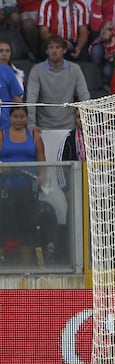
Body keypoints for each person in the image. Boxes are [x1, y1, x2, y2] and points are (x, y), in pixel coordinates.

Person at [0, 105, 46, 266]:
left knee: (26, 226)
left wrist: (41, 177)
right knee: (4, 225)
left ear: (26, 118)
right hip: (5, 189)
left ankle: (25, 266)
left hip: (27, 189)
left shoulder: (34, 135)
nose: (18, 120)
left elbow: (42, 160)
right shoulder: (2, 134)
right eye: (15, 116)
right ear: (10, 117)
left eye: (21, 117)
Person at [26, 34, 90, 130]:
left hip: (69, 126)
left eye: (58, 47)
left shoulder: (75, 69)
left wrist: (86, 121)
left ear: (64, 50)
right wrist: (31, 123)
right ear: (47, 51)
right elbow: (31, 98)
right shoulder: (37, 70)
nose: (54, 51)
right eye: (51, 48)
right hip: (43, 127)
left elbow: (84, 96)